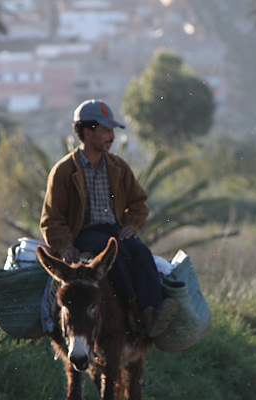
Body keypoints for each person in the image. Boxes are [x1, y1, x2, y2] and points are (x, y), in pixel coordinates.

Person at [40, 99, 177, 341]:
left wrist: (131, 227)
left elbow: (138, 201)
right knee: (118, 257)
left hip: (114, 231)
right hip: (84, 234)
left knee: (140, 251)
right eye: (106, 130)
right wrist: (65, 247)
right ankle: (134, 309)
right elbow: (52, 218)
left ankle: (151, 312)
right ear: (87, 132)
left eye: (112, 131)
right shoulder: (63, 171)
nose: (111, 136)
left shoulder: (118, 167)